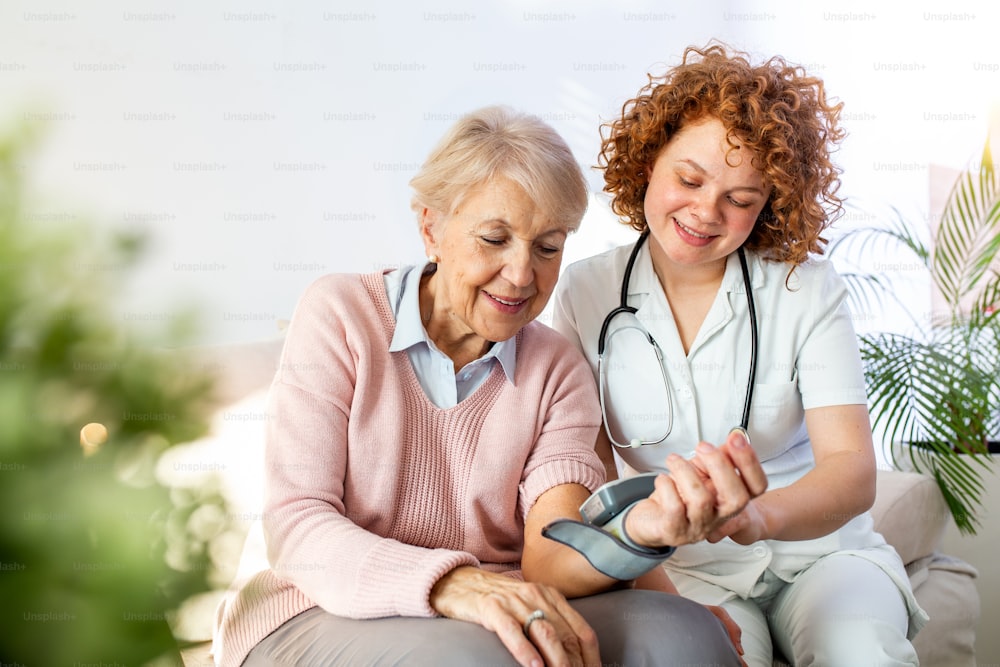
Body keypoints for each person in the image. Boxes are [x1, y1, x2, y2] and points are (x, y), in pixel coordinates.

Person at [211, 104, 767, 667]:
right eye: (494, 238)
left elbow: (558, 538)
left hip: (502, 602)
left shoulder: (557, 369)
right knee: (485, 660)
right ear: (431, 227)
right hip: (317, 608)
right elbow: (298, 526)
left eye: (548, 246)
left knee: (685, 636)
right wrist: (455, 585)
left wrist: (649, 547)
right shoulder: (341, 314)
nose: (523, 274)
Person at [551, 44, 929, 667]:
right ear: (648, 161)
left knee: (860, 647)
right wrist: (663, 590)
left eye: (742, 198)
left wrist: (760, 517)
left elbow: (851, 469)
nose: (707, 212)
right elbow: (589, 483)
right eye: (690, 180)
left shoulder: (805, 287)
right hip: (682, 570)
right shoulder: (587, 291)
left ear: (769, 204)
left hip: (822, 554)